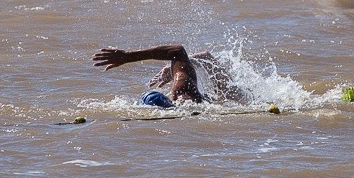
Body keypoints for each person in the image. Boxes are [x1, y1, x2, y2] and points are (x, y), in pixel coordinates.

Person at [92, 44, 251, 108]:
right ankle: (198, 60)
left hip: (211, 101)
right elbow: (177, 52)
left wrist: (128, 57)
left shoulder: (182, 91)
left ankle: (200, 59)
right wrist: (127, 57)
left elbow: (177, 51)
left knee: (227, 91)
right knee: (227, 94)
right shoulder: (184, 93)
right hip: (210, 102)